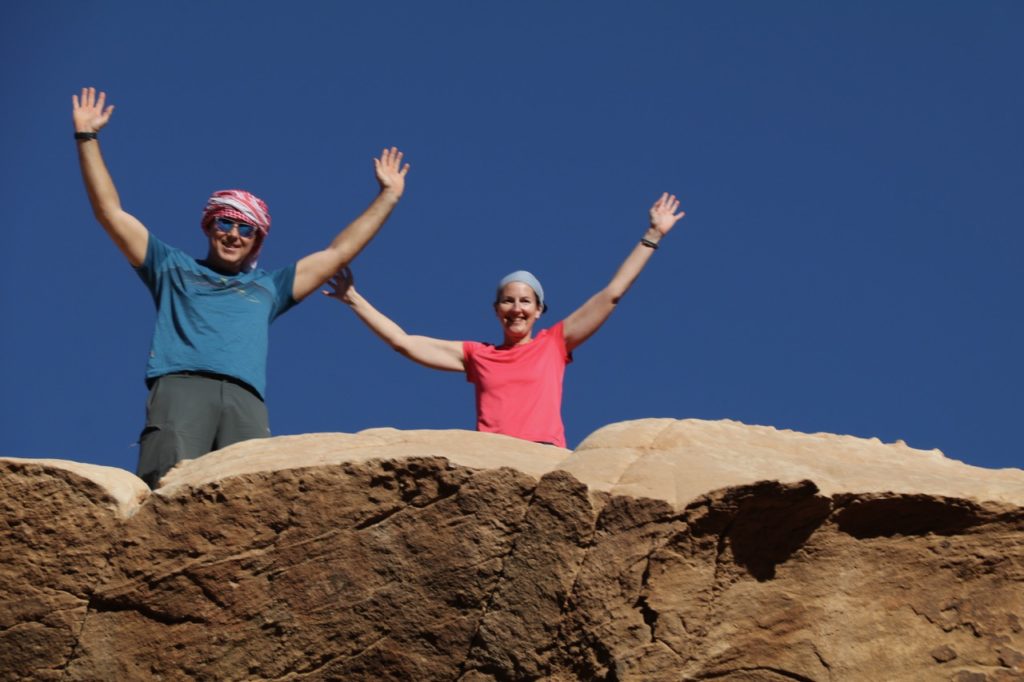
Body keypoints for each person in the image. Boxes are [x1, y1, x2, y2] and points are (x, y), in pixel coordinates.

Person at [72, 87, 410, 488]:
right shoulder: (172, 268)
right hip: (182, 386)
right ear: (209, 226)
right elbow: (110, 213)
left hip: (244, 399)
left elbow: (337, 253)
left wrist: (388, 196)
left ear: (257, 239)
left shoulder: (268, 287)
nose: (234, 234)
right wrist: (87, 139)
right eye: (225, 223)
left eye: (245, 228)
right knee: (167, 484)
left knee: (246, 489)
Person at [323, 192, 684, 447]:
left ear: (539, 310)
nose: (517, 308)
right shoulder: (479, 355)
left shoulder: (553, 344)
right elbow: (404, 342)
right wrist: (354, 299)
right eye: (508, 301)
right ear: (497, 310)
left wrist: (652, 235)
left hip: (543, 455)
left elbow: (612, 294)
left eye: (526, 301)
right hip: (492, 458)